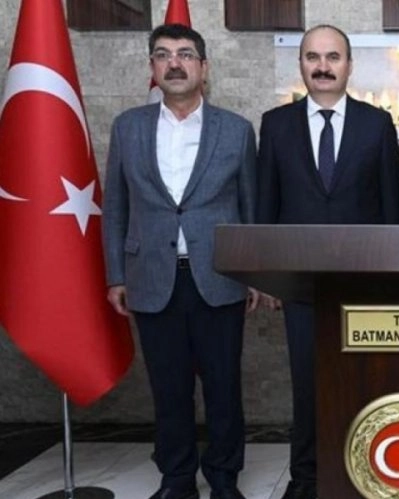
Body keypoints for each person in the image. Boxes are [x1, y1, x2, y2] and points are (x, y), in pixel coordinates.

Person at [102, 24, 259, 499]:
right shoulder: (128, 127)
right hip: (151, 278)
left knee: (223, 386)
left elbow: (250, 209)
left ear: (203, 68)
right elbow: (116, 207)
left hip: (219, 277)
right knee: (168, 388)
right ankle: (176, 479)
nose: (174, 63)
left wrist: (256, 275)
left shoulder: (236, 129)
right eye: (163, 54)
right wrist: (116, 275)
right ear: (152, 66)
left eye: (186, 54)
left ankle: (224, 478)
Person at [256, 24, 399, 499]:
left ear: (349, 65)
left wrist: (390, 281)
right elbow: (266, 205)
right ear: (300, 64)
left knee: (362, 383)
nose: (323, 66)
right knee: (306, 384)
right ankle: (306, 477)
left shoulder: (377, 124)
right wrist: (267, 277)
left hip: (364, 284)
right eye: (313, 57)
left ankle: (361, 473)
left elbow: (391, 210)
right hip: (299, 285)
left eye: (333, 57)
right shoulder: (275, 125)